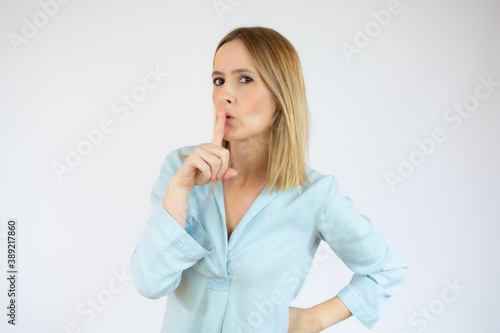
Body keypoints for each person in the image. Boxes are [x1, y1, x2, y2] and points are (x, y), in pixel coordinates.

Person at [130, 26, 408, 333]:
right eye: (218, 80)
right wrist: (180, 189)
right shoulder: (180, 169)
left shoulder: (315, 195)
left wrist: (314, 319)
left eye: (245, 79)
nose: (225, 94)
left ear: (280, 94)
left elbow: (387, 270)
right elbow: (149, 282)